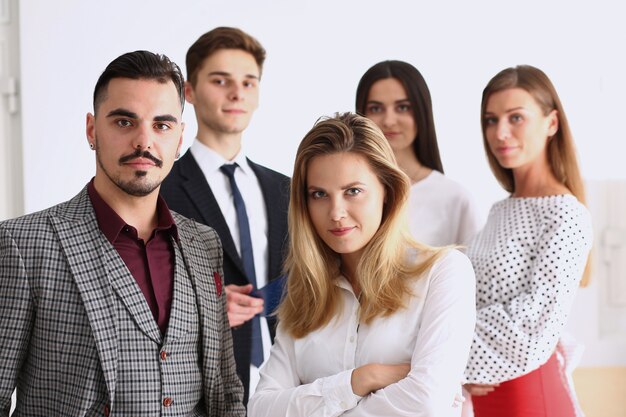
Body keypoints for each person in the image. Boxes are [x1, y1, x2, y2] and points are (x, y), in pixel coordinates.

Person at [0, 51, 245, 416]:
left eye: (162, 125)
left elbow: (225, 390)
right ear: (92, 130)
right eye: (125, 122)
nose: (144, 142)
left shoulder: (204, 244)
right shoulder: (23, 244)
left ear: (179, 139)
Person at [248, 113, 476, 416]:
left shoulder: (445, 273)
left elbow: (427, 402)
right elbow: (261, 409)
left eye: (352, 191)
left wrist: (318, 402)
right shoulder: (305, 295)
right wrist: (362, 379)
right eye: (319, 195)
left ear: (387, 191)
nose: (336, 213)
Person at [160, 27, 289, 403]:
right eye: (221, 81)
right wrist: (204, 306)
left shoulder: (287, 189)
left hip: (288, 382)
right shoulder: (160, 191)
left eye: (249, 83)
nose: (237, 94)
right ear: (189, 91)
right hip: (199, 385)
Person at [463, 65, 593, 417]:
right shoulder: (498, 211)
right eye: (490, 120)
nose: (500, 132)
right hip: (482, 395)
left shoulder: (566, 215)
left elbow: (534, 324)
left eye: (515, 117)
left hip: (531, 397)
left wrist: (446, 353)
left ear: (551, 123)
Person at [355, 60, 481, 247]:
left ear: (422, 112)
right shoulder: (345, 191)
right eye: (376, 108)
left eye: (403, 107)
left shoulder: (454, 198)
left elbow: (473, 272)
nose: (389, 121)